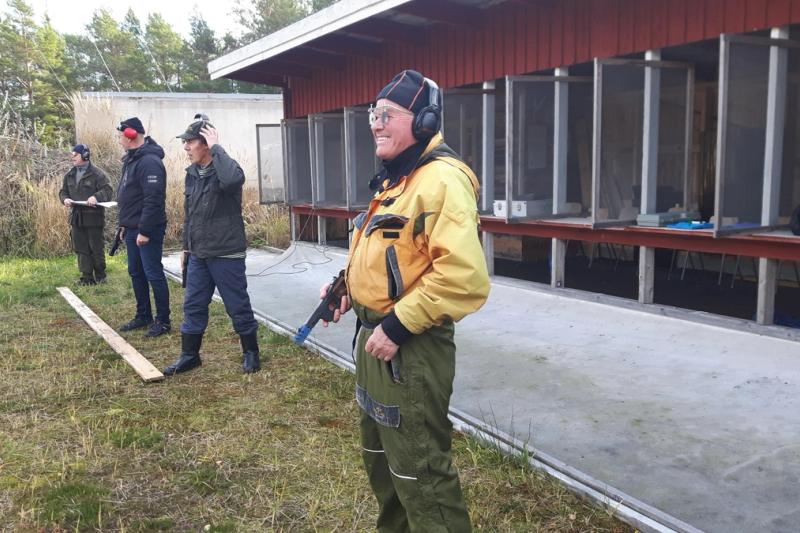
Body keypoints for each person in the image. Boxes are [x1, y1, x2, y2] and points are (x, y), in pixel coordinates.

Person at [323, 70, 490, 531]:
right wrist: (347, 285)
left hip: (409, 348)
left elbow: (463, 277)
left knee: (421, 475)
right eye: (373, 115)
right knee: (384, 464)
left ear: (424, 121)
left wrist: (397, 326)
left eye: (388, 115)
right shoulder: (398, 178)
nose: (376, 124)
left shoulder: (442, 181)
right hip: (374, 342)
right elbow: (395, 252)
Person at [162, 114, 261, 376]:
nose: (185, 147)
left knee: (236, 304)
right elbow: (190, 214)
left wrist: (218, 147)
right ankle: (190, 356)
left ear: (205, 143)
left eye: (190, 142)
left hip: (226, 252)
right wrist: (186, 248)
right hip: (199, 253)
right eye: (184, 142)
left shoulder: (226, 168)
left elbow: (232, 181)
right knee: (193, 304)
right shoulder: (192, 174)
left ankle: (251, 352)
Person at [115, 117, 171, 337]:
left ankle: (163, 320)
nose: (119, 140)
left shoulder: (149, 162)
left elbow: (153, 199)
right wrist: (125, 225)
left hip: (147, 228)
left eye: (121, 136)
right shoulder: (132, 159)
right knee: (136, 272)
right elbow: (130, 195)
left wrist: (145, 231)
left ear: (131, 135)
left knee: (153, 273)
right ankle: (143, 315)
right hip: (132, 227)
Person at [59, 144, 113, 285]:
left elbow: (108, 190)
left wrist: (96, 197)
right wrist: (65, 199)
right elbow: (63, 192)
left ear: (85, 155)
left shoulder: (98, 174)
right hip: (77, 218)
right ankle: (86, 277)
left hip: (94, 217)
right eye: (72, 155)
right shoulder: (69, 175)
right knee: (81, 248)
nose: (72, 157)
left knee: (96, 248)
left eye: (75, 155)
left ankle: (101, 276)